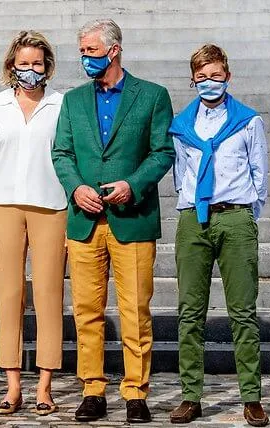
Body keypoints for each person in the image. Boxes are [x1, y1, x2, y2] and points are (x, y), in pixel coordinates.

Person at [52, 19, 175, 424]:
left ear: (114, 50)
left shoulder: (153, 96)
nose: (84, 58)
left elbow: (162, 152)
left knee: (135, 309)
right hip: (84, 221)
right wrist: (74, 188)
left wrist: (133, 184)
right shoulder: (73, 101)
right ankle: (92, 389)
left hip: (132, 219)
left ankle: (136, 393)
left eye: (90, 50)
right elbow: (62, 154)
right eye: (82, 51)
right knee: (86, 310)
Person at [0, 30, 67, 416]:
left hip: (51, 207)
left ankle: (44, 386)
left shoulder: (62, 104)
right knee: (9, 296)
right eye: (23, 64)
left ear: (47, 67)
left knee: (47, 296)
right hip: (3, 206)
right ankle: (12, 387)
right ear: (12, 66)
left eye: (36, 64)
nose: (30, 70)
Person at [168, 44, 269, 427]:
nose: (209, 82)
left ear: (227, 77)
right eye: (202, 76)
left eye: (216, 76)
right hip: (194, 219)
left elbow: (259, 173)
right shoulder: (182, 125)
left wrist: (246, 213)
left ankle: (252, 397)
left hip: (235, 218)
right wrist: (192, 207)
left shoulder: (247, 121)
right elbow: (180, 172)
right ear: (192, 79)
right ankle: (191, 395)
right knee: (190, 313)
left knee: (243, 312)